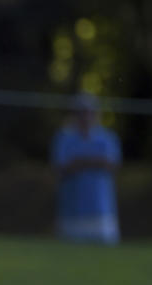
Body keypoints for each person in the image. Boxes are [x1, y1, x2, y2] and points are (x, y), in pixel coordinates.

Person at [51, 93, 122, 244]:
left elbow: (112, 164)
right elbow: (61, 167)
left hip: (101, 212)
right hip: (72, 213)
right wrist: (93, 161)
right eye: (81, 112)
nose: (85, 117)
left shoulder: (107, 138)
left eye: (89, 112)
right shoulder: (64, 138)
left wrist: (81, 162)